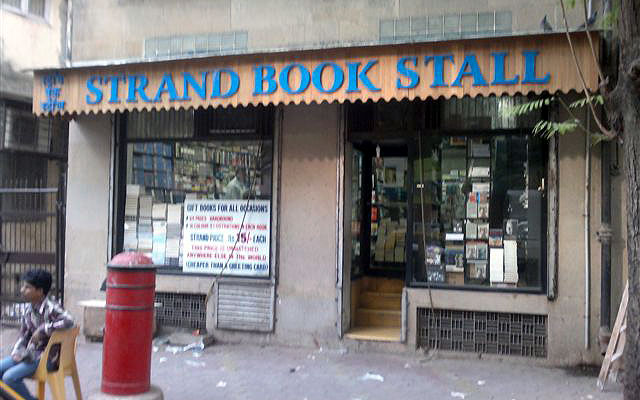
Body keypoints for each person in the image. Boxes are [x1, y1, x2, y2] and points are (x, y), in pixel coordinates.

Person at [0, 269, 73, 400]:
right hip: (30, 355)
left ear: (40, 291)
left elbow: (69, 321)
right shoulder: (28, 309)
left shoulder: (51, 307)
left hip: (48, 358)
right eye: (23, 286)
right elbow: (23, 335)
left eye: (27, 287)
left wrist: (44, 329)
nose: (22, 290)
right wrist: (17, 352)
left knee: (9, 378)